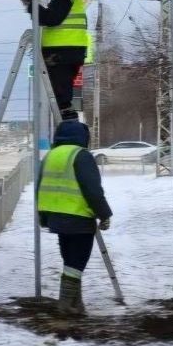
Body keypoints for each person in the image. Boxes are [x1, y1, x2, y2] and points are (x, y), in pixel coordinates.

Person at [37, 120, 112, 315]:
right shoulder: (81, 155)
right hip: (78, 217)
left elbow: (39, 186)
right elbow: (93, 190)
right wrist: (104, 214)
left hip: (56, 217)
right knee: (77, 261)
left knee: (70, 260)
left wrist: (43, 216)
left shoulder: (51, 155)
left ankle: (76, 305)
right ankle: (65, 305)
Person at [20, 0, 89, 120]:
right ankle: (67, 119)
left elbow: (51, 19)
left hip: (61, 52)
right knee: (61, 92)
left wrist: (31, 5)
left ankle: (68, 121)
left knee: (60, 95)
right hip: (70, 51)